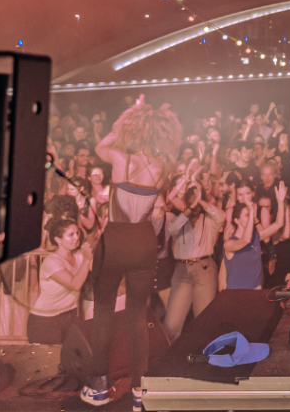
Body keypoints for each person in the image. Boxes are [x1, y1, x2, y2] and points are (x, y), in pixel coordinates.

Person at [82, 96, 179, 411]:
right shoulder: (162, 167)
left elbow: (101, 145)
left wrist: (130, 115)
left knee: (104, 312)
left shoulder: (122, 160)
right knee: (138, 315)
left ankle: (98, 386)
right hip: (144, 240)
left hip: (116, 238)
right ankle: (141, 391)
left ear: (133, 129)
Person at [163, 178, 226, 341]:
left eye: (197, 200)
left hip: (204, 269)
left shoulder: (211, 221)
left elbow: (221, 214)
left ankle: (205, 361)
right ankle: (171, 362)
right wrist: (189, 209)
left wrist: (201, 200)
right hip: (181, 271)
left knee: (203, 322)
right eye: (191, 201)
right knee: (171, 325)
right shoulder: (180, 221)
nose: (194, 204)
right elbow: (172, 228)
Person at [28, 218, 92, 344]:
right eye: (71, 235)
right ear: (58, 240)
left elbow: (102, 268)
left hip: (70, 316)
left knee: (71, 359)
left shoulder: (79, 256)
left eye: (77, 233)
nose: (76, 237)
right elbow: (75, 284)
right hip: (45, 320)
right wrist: (87, 260)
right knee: (49, 361)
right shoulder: (51, 262)